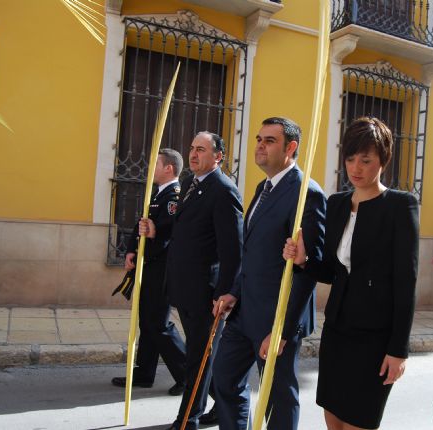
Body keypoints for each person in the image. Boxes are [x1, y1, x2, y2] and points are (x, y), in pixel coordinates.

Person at [284, 117, 419, 430]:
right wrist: (304, 261)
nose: (356, 168)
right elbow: (333, 271)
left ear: (383, 160)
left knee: (359, 422)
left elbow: (406, 281)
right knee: (333, 419)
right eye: (350, 159)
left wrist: (398, 350)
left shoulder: (400, 206)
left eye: (366, 160)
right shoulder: (337, 204)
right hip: (338, 332)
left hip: (375, 339)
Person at [212, 117, 326, 430]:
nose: (260, 145)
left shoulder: (306, 193)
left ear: (291, 147)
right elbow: (251, 253)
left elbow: (308, 269)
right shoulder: (264, 188)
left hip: (276, 318)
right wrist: (234, 291)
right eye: (259, 139)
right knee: (223, 379)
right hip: (244, 312)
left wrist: (283, 331)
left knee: (279, 396)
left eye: (270, 140)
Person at [140, 132, 243, 430]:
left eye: (201, 149)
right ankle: (220, 407)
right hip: (183, 286)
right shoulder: (189, 184)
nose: (194, 154)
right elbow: (181, 231)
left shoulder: (224, 191)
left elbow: (232, 250)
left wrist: (225, 292)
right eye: (192, 149)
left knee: (199, 358)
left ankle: (188, 419)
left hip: (206, 292)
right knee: (202, 356)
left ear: (218, 156)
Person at [111, 148, 186, 395]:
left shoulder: (175, 195)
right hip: (149, 264)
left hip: (162, 268)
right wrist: (132, 249)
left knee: (159, 324)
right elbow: (142, 223)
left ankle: (187, 375)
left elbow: (173, 228)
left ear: (169, 169)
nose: (149, 169)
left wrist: (156, 232)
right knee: (147, 321)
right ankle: (144, 373)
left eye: (156, 164)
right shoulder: (157, 193)